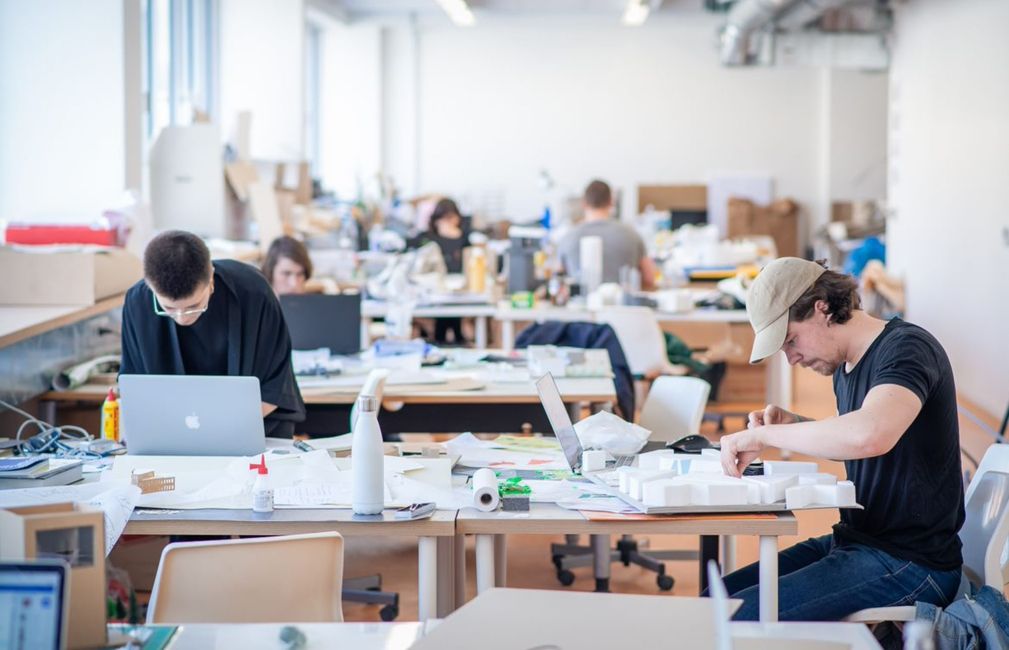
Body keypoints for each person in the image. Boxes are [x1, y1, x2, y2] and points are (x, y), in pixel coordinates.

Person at [714, 257, 964, 621]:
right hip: (859, 541)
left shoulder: (907, 349)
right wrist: (794, 423)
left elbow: (869, 435)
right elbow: (859, 438)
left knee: (737, 616)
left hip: (914, 562)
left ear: (823, 309)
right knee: (713, 601)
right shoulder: (845, 366)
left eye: (790, 340)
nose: (792, 358)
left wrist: (768, 433)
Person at [121, 230, 305, 438]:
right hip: (171, 434)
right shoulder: (138, 302)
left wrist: (211, 431)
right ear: (150, 287)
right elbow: (134, 388)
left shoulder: (254, 292)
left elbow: (275, 385)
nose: (182, 318)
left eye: (193, 306)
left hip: (256, 426)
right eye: (169, 309)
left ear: (211, 279)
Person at [558, 180, 657, 290]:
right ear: (611, 202)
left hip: (580, 304)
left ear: (584, 203)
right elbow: (649, 279)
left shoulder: (568, 237)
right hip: (623, 304)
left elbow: (557, 279)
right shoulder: (632, 234)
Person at [418, 198, 467, 344]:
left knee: (453, 304)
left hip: (459, 288)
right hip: (433, 289)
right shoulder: (426, 239)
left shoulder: (464, 238)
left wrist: (455, 238)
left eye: (452, 218)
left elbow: (461, 264)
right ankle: (452, 338)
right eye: (444, 218)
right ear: (437, 220)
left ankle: (450, 339)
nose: (449, 223)